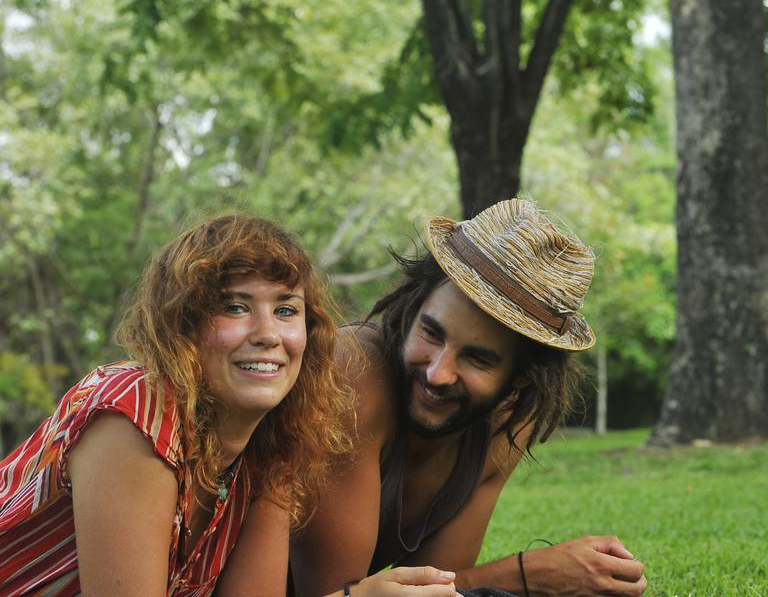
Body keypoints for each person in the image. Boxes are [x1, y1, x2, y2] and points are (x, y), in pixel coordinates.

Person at [0, 213, 458, 597]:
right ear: (182, 326)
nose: (267, 334)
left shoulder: (272, 446)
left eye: (285, 310)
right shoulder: (133, 411)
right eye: (235, 307)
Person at [287, 198, 648, 597]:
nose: (438, 373)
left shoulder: (506, 421)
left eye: (478, 358)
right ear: (413, 307)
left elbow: (434, 585)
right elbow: (333, 592)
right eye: (431, 333)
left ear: (520, 382)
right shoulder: (353, 373)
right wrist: (531, 575)